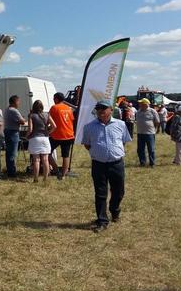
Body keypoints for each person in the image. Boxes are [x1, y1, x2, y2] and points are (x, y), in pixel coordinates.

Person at [80, 100, 132, 233]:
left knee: (118, 191)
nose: (101, 111)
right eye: (98, 108)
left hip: (116, 163)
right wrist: (99, 152)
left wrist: (114, 152)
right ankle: (102, 220)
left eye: (104, 108)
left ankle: (115, 210)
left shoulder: (120, 124)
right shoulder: (89, 127)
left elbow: (124, 141)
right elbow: (87, 144)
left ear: (110, 109)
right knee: (100, 193)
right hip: (99, 164)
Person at [27, 100, 57, 183]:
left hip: (35, 138)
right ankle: (45, 178)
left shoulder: (31, 115)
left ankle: (35, 179)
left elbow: (30, 129)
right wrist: (48, 132)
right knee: (45, 159)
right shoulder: (47, 115)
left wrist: (27, 136)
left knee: (36, 160)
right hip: (45, 138)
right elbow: (54, 126)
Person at [48, 92, 75, 180]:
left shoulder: (54, 107)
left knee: (46, 153)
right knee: (65, 156)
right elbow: (71, 120)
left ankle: (56, 170)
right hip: (69, 135)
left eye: (53, 99)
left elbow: (48, 120)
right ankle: (63, 175)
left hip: (57, 135)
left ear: (56, 99)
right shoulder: (69, 108)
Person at [3, 95, 26, 178]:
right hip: (13, 132)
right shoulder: (14, 111)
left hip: (7, 131)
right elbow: (22, 122)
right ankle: (12, 172)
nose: (19, 103)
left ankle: (9, 169)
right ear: (14, 102)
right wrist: (23, 119)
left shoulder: (7, 109)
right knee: (13, 153)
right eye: (18, 101)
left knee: (8, 152)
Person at [135, 98, 160, 167]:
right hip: (140, 133)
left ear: (145, 104)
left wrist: (155, 129)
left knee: (151, 149)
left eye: (141, 103)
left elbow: (157, 121)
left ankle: (152, 163)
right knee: (140, 149)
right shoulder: (138, 111)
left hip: (150, 133)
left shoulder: (152, 111)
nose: (139, 104)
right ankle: (142, 162)